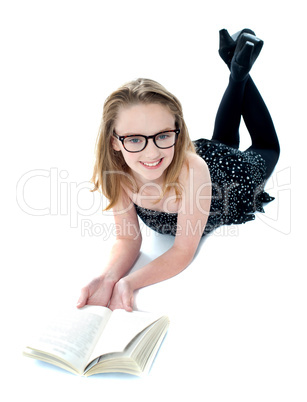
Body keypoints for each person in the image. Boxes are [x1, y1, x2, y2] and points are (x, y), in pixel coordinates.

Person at [77, 28, 280, 312]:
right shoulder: (118, 173)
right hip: (199, 162)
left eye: (162, 135)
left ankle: (239, 75)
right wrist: (109, 279)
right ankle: (234, 65)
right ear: (114, 141)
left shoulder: (190, 170)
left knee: (267, 146)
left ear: (177, 131)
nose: (151, 153)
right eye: (135, 139)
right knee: (224, 139)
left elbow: (183, 250)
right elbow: (127, 238)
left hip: (228, 177)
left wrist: (131, 283)